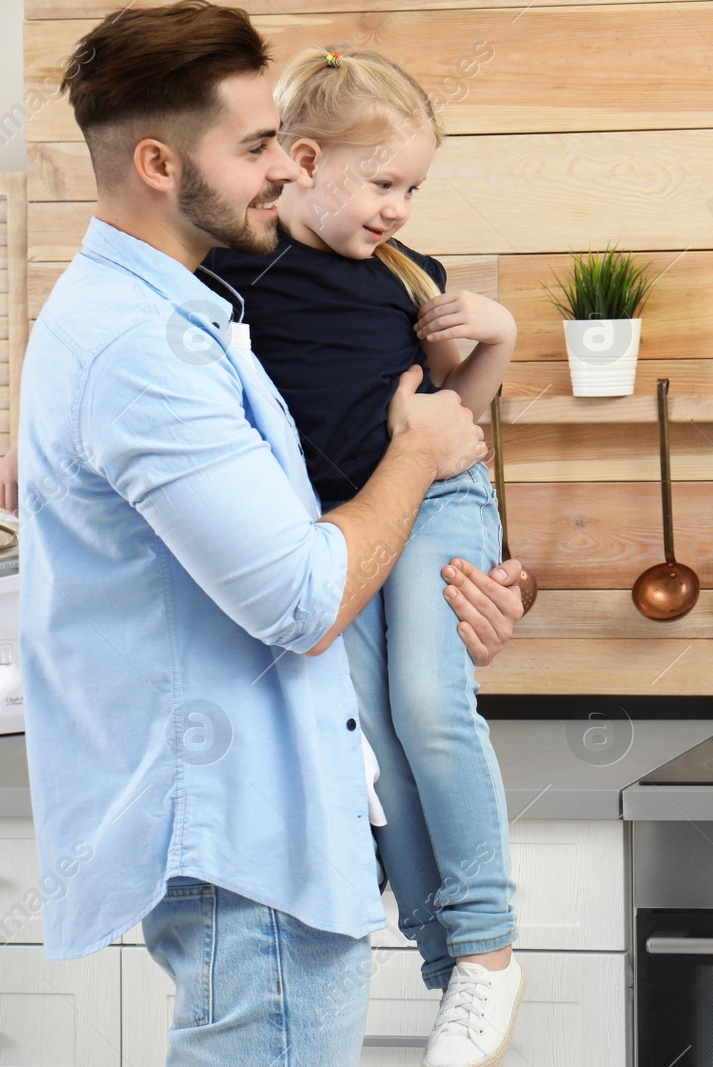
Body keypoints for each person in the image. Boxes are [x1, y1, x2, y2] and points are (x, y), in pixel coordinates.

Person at [17, 2, 527, 1062]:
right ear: (159, 163)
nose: (284, 173)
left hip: (274, 827)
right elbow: (302, 595)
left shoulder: (181, 318)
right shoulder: (148, 345)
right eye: (256, 148)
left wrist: (449, 581)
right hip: (250, 849)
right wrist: (417, 461)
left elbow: (321, 533)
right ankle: (472, 945)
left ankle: (473, 946)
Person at [201, 45, 524, 1064]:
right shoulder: (228, 275)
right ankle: (446, 959)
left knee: (430, 704)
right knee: (370, 736)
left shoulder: (406, 278)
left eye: (413, 187)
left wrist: (502, 338)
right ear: (303, 160)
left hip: (439, 498)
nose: (400, 207)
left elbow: (456, 423)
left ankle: (486, 949)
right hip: (339, 527)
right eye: (385, 183)